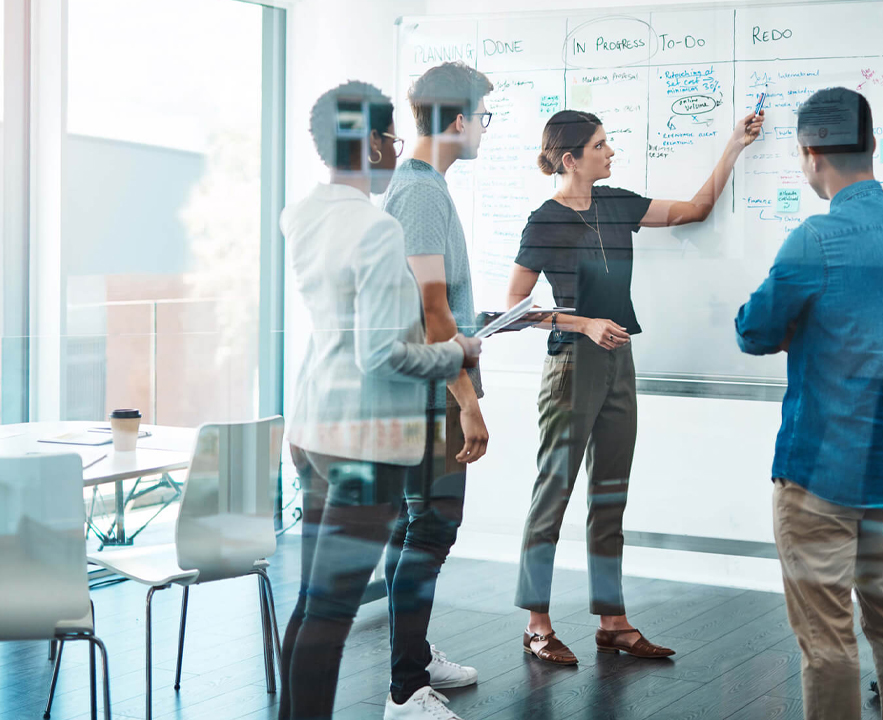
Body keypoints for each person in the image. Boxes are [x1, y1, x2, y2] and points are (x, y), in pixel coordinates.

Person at [508, 106, 763, 664]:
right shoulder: (543, 221)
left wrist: (733, 147)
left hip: (620, 361)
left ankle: (613, 621)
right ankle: (537, 624)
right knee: (553, 492)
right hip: (571, 365)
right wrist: (581, 321)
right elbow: (515, 310)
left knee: (610, 494)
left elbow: (695, 210)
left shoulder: (617, 202)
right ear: (571, 158)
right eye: (601, 145)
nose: (611, 151)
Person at [278, 81, 481, 720]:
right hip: (364, 438)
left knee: (316, 601)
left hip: (314, 424)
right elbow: (385, 353)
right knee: (333, 611)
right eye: (390, 135)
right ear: (369, 141)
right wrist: (460, 353)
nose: (396, 146)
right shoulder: (375, 226)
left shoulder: (303, 213)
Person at [736, 87, 883, 720]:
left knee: (827, 639)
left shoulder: (815, 240)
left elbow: (753, 331)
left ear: (809, 153)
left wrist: (802, 326)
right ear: (873, 148)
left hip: (820, 472)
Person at [378, 61, 492, 718]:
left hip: (425, 389)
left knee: (418, 527)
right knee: (430, 530)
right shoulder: (420, 193)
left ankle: (414, 662)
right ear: (456, 120)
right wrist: (469, 402)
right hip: (431, 394)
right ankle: (404, 692)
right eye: (482, 117)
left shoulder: (423, 187)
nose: (483, 130)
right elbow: (431, 310)